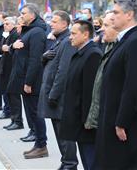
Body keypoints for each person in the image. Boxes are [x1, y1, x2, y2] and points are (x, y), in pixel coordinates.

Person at [94, 0, 137, 169]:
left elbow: (133, 87)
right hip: (116, 121)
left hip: (128, 128)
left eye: (115, 12)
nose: (112, 16)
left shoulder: (136, 41)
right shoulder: (127, 40)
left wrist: (122, 122)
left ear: (129, 15)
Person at [37, 11, 79, 169]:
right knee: (59, 131)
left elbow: (63, 71)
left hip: (59, 96)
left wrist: (53, 95)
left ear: (64, 24)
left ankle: (70, 164)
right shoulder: (59, 40)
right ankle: (65, 162)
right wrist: (44, 57)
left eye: (54, 21)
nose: (50, 24)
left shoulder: (67, 41)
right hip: (54, 94)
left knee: (64, 133)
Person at [59, 20, 102, 170]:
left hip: (85, 122)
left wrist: (87, 121)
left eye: (73, 33)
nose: (70, 37)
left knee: (91, 161)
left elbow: (91, 92)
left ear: (85, 35)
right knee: (86, 160)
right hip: (78, 118)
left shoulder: (93, 55)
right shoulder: (81, 52)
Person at [8, 3, 48, 159]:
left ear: (33, 15)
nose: (21, 15)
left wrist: (29, 82)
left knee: (36, 113)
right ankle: (38, 144)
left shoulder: (37, 32)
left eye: (24, 13)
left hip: (31, 81)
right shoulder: (29, 31)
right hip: (24, 78)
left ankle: (42, 145)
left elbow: (35, 59)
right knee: (31, 113)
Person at [85, 11, 118, 130]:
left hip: (113, 120)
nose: (101, 29)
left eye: (106, 25)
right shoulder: (108, 46)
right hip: (104, 116)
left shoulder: (128, 46)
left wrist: (120, 123)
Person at [0, 17, 19, 120]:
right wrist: (3, 48)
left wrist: (7, 48)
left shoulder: (15, 34)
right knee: (4, 90)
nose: (5, 25)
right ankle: (7, 111)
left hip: (10, 66)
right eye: (4, 23)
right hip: (3, 66)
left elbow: (13, 50)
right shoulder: (5, 34)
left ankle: (11, 114)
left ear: (13, 25)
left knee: (11, 93)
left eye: (7, 24)